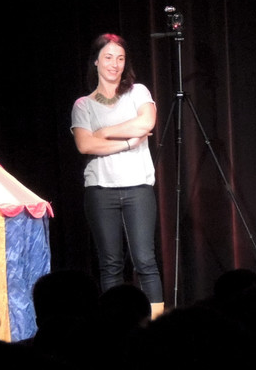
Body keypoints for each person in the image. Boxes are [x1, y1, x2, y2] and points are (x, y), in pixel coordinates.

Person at [71, 33, 165, 319]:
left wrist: (104, 132)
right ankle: (115, 325)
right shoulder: (84, 105)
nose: (115, 64)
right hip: (101, 191)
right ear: (96, 61)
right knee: (110, 264)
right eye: (109, 57)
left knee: (145, 261)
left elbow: (146, 123)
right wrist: (127, 142)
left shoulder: (138, 93)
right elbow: (85, 145)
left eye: (120, 58)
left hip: (138, 188)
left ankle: (156, 326)